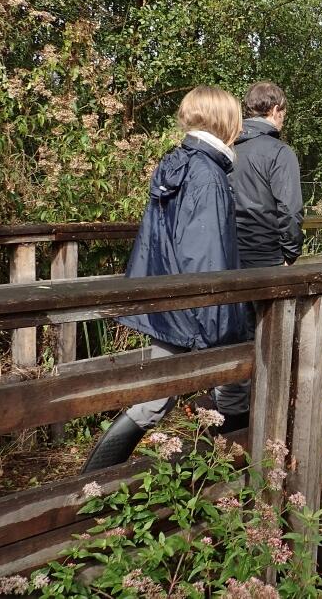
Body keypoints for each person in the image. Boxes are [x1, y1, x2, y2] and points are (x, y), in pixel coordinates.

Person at [82, 86, 250, 472]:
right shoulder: (207, 175)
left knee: (163, 397)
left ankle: (93, 482)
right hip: (199, 308)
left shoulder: (178, 162)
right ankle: (237, 477)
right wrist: (220, 327)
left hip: (172, 303)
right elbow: (206, 258)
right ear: (224, 121)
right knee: (223, 386)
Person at [232, 81, 304, 269]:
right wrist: (290, 254)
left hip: (226, 253)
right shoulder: (280, 152)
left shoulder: (227, 148)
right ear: (275, 110)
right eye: (283, 115)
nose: (283, 120)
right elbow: (290, 209)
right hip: (267, 257)